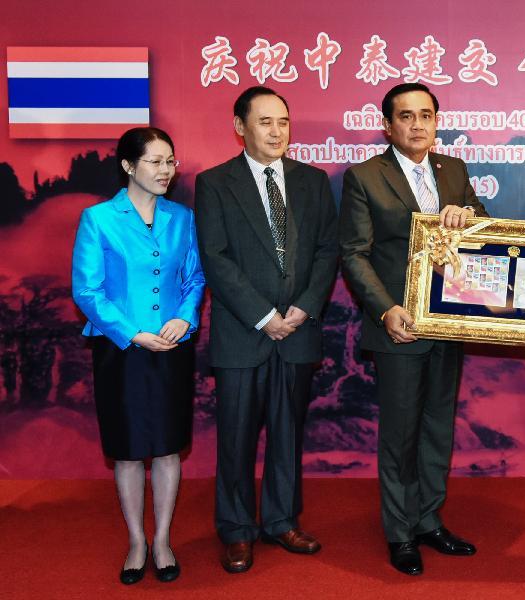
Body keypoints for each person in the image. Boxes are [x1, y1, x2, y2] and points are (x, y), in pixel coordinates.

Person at [339, 82, 488, 576]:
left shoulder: (454, 170)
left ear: (436, 122)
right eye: (406, 116)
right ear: (388, 125)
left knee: (437, 427)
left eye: (426, 115)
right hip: (398, 325)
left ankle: (429, 520)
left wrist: (469, 215)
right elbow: (354, 254)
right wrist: (385, 310)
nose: (417, 124)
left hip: (448, 320)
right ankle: (400, 532)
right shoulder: (364, 176)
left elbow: (484, 229)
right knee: (401, 433)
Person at [194, 86, 339, 573]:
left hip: (297, 330)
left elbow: (327, 250)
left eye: (283, 122)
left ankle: (281, 520)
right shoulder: (216, 183)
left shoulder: (312, 181)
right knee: (235, 437)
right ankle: (237, 530)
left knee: (287, 433)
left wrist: (305, 307)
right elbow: (216, 257)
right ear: (240, 127)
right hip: (244, 332)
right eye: (265, 122)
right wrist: (263, 316)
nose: (277, 132)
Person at [72, 127, 205, 585]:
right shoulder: (98, 219)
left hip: (172, 346)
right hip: (120, 349)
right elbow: (87, 290)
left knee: (167, 447)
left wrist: (185, 319)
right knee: (127, 451)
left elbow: (194, 279)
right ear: (129, 166)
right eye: (155, 161)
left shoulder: (182, 218)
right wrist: (133, 333)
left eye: (170, 161)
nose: (166, 170)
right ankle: (136, 540)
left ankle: (163, 539)